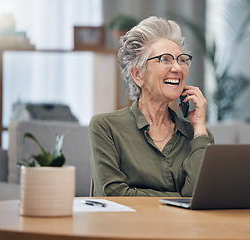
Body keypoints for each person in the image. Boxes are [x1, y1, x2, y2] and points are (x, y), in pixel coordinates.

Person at [89, 16, 214, 197]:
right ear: (138, 74)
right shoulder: (105, 127)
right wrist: (180, 198)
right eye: (165, 59)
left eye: (182, 60)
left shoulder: (198, 136)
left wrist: (200, 126)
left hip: (184, 227)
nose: (178, 68)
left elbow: (199, 196)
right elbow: (114, 195)